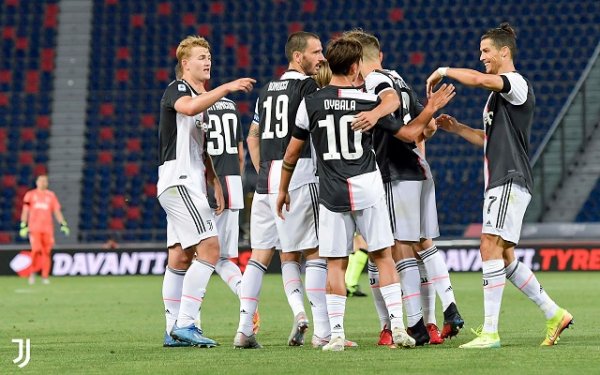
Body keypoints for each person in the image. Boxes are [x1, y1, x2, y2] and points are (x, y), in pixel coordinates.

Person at [276, 37, 455, 351]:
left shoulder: (312, 102)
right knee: (383, 257)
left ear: (330, 65)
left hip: (331, 192)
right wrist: (429, 108)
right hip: (368, 187)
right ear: (356, 66)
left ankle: (335, 335)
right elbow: (411, 133)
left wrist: (281, 188)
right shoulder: (368, 100)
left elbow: (291, 154)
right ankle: (398, 328)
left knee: (335, 264)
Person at [427, 23, 573, 348]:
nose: (481, 58)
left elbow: (479, 80)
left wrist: (444, 69)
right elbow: (488, 139)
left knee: (488, 245)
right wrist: (459, 128)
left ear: (504, 52)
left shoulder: (516, 84)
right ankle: (554, 313)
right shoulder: (498, 99)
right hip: (501, 179)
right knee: (504, 257)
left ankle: (491, 332)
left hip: (509, 177)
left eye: (486, 51)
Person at [345, 29, 463, 346]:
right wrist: (428, 113)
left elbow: (410, 130)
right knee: (423, 243)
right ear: (380, 55)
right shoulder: (399, 78)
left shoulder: (374, 84)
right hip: (419, 168)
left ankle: (414, 324)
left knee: (395, 249)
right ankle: (445, 310)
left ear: (356, 62)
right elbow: (430, 128)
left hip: (393, 173)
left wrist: (375, 115)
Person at [234, 31, 331, 349]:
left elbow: (252, 135)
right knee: (315, 252)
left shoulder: (266, 90)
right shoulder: (307, 86)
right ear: (298, 56)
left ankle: (244, 329)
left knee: (260, 257)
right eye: (316, 52)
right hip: (298, 176)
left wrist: (264, 171)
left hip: (265, 182)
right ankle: (323, 332)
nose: (322, 58)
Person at [158, 35, 255, 348]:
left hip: (189, 181)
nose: (207, 61)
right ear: (185, 64)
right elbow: (187, 108)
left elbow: (202, 151)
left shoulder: (203, 102)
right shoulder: (179, 89)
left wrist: (215, 181)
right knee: (211, 249)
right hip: (180, 180)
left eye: (209, 56)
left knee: (180, 254)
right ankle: (186, 323)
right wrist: (225, 88)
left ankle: (172, 328)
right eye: (200, 57)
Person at [314, 61, 368, 299]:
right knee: (372, 250)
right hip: (351, 182)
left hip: (326, 185)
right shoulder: (360, 101)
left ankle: (331, 328)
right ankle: (350, 284)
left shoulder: (313, 105)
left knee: (333, 256)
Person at [20, 174, 69, 285]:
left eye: (45, 181)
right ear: (37, 182)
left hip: (48, 229)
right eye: (41, 181)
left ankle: (45, 276)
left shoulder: (51, 196)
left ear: (47, 183)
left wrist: (63, 224)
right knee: (36, 250)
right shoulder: (30, 195)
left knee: (46, 252)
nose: (43, 183)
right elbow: (25, 211)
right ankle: (32, 273)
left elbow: (56, 211)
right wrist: (23, 225)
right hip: (34, 228)